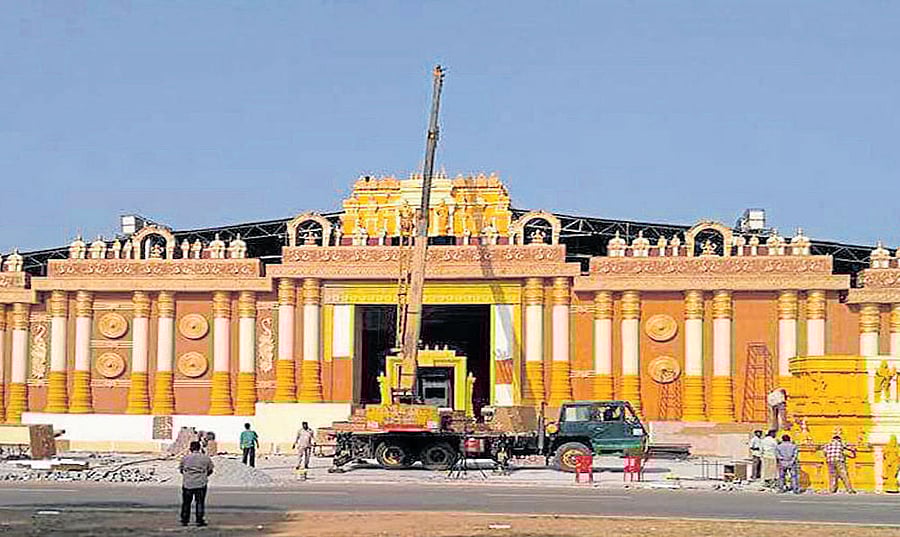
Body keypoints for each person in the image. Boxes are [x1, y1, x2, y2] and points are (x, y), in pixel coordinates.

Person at [179, 440, 214, 527]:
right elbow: (210, 470)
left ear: (190, 448)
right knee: (200, 502)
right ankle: (199, 520)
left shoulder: (185, 458)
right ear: (199, 448)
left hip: (188, 483)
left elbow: (181, 469)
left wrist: (188, 475)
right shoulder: (205, 458)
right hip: (201, 483)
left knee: (186, 502)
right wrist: (204, 475)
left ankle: (185, 519)